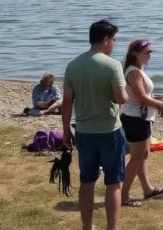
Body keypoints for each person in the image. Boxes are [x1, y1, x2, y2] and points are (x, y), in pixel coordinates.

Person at [62, 20, 129, 230]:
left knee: (87, 180)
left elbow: (67, 101)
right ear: (106, 39)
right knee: (113, 182)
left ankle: (87, 226)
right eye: (114, 40)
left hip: (83, 131)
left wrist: (65, 130)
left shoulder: (73, 64)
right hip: (109, 130)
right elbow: (121, 97)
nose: (115, 44)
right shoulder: (112, 64)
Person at [120, 39, 163, 208]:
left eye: (151, 51)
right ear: (136, 54)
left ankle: (147, 189)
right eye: (147, 52)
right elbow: (140, 97)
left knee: (144, 155)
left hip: (142, 118)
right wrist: (159, 104)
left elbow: (142, 96)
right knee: (136, 158)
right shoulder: (133, 72)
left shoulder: (138, 69)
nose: (151, 55)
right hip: (135, 119)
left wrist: (155, 102)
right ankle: (123, 196)